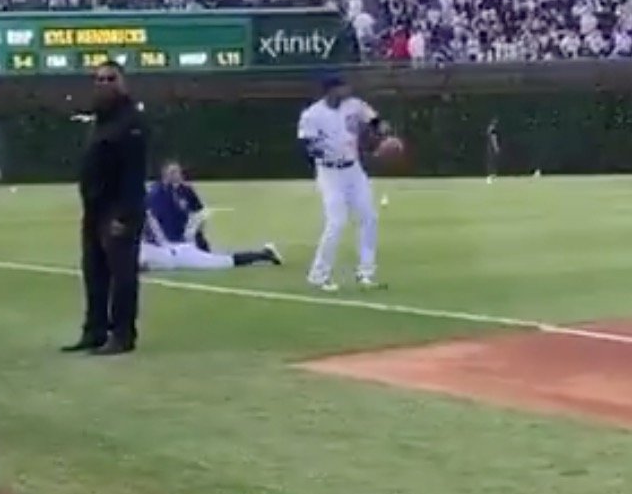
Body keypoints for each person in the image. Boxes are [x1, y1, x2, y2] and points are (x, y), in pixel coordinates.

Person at [66, 61, 149, 355]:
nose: (103, 83)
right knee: (94, 271)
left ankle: (123, 334)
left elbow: (133, 173)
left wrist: (124, 215)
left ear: (121, 82)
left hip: (117, 209)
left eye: (109, 78)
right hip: (95, 208)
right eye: (98, 79)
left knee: (122, 275)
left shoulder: (131, 122)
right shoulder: (101, 119)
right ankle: (95, 329)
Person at [297, 74, 389, 291]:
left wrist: (382, 131)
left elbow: (375, 121)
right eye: (341, 87)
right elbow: (306, 145)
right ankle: (319, 275)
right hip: (330, 173)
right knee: (336, 222)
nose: (347, 90)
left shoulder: (354, 105)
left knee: (369, 218)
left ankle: (366, 273)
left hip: (354, 170)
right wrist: (321, 150)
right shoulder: (313, 114)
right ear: (330, 90)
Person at [140, 161, 280, 271]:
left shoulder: (183, 191)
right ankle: (265, 254)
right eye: (172, 172)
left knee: (224, 262)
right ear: (164, 174)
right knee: (221, 261)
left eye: (177, 171)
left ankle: (265, 254)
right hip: (170, 248)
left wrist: (199, 239)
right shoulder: (157, 193)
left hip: (179, 249)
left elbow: (198, 215)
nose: (177, 175)